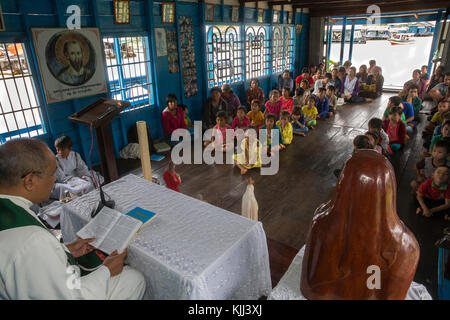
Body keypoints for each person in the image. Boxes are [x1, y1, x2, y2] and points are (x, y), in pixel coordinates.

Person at [0, 138, 146, 299]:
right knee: (133, 278)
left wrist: (64, 250)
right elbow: (69, 296)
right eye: (52, 173)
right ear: (30, 181)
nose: (54, 179)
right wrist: (107, 270)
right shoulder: (33, 241)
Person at [52, 136, 103, 200]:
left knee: (92, 178)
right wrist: (78, 180)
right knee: (62, 188)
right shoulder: (56, 160)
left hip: (78, 176)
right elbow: (61, 178)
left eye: (62, 149)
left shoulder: (75, 155)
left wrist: (83, 177)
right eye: (57, 150)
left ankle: (91, 197)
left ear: (70, 149)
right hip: (66, 181)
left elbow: (82, 169)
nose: (59, 152)